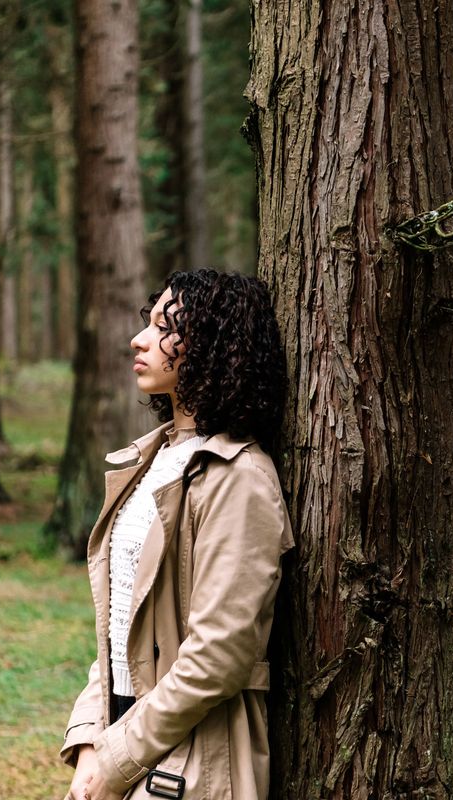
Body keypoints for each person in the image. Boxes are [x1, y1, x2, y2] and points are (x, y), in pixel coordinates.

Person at [61, 269, 294, 800]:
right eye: (148, 322)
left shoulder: (240, 478)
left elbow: (220, 655)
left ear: (214, 345)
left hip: (193, 757)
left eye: (166, 326)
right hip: (123, 732)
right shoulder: (148, 462)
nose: (140, 339)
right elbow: (119, 628)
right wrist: (90, 742)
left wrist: (116, 759)